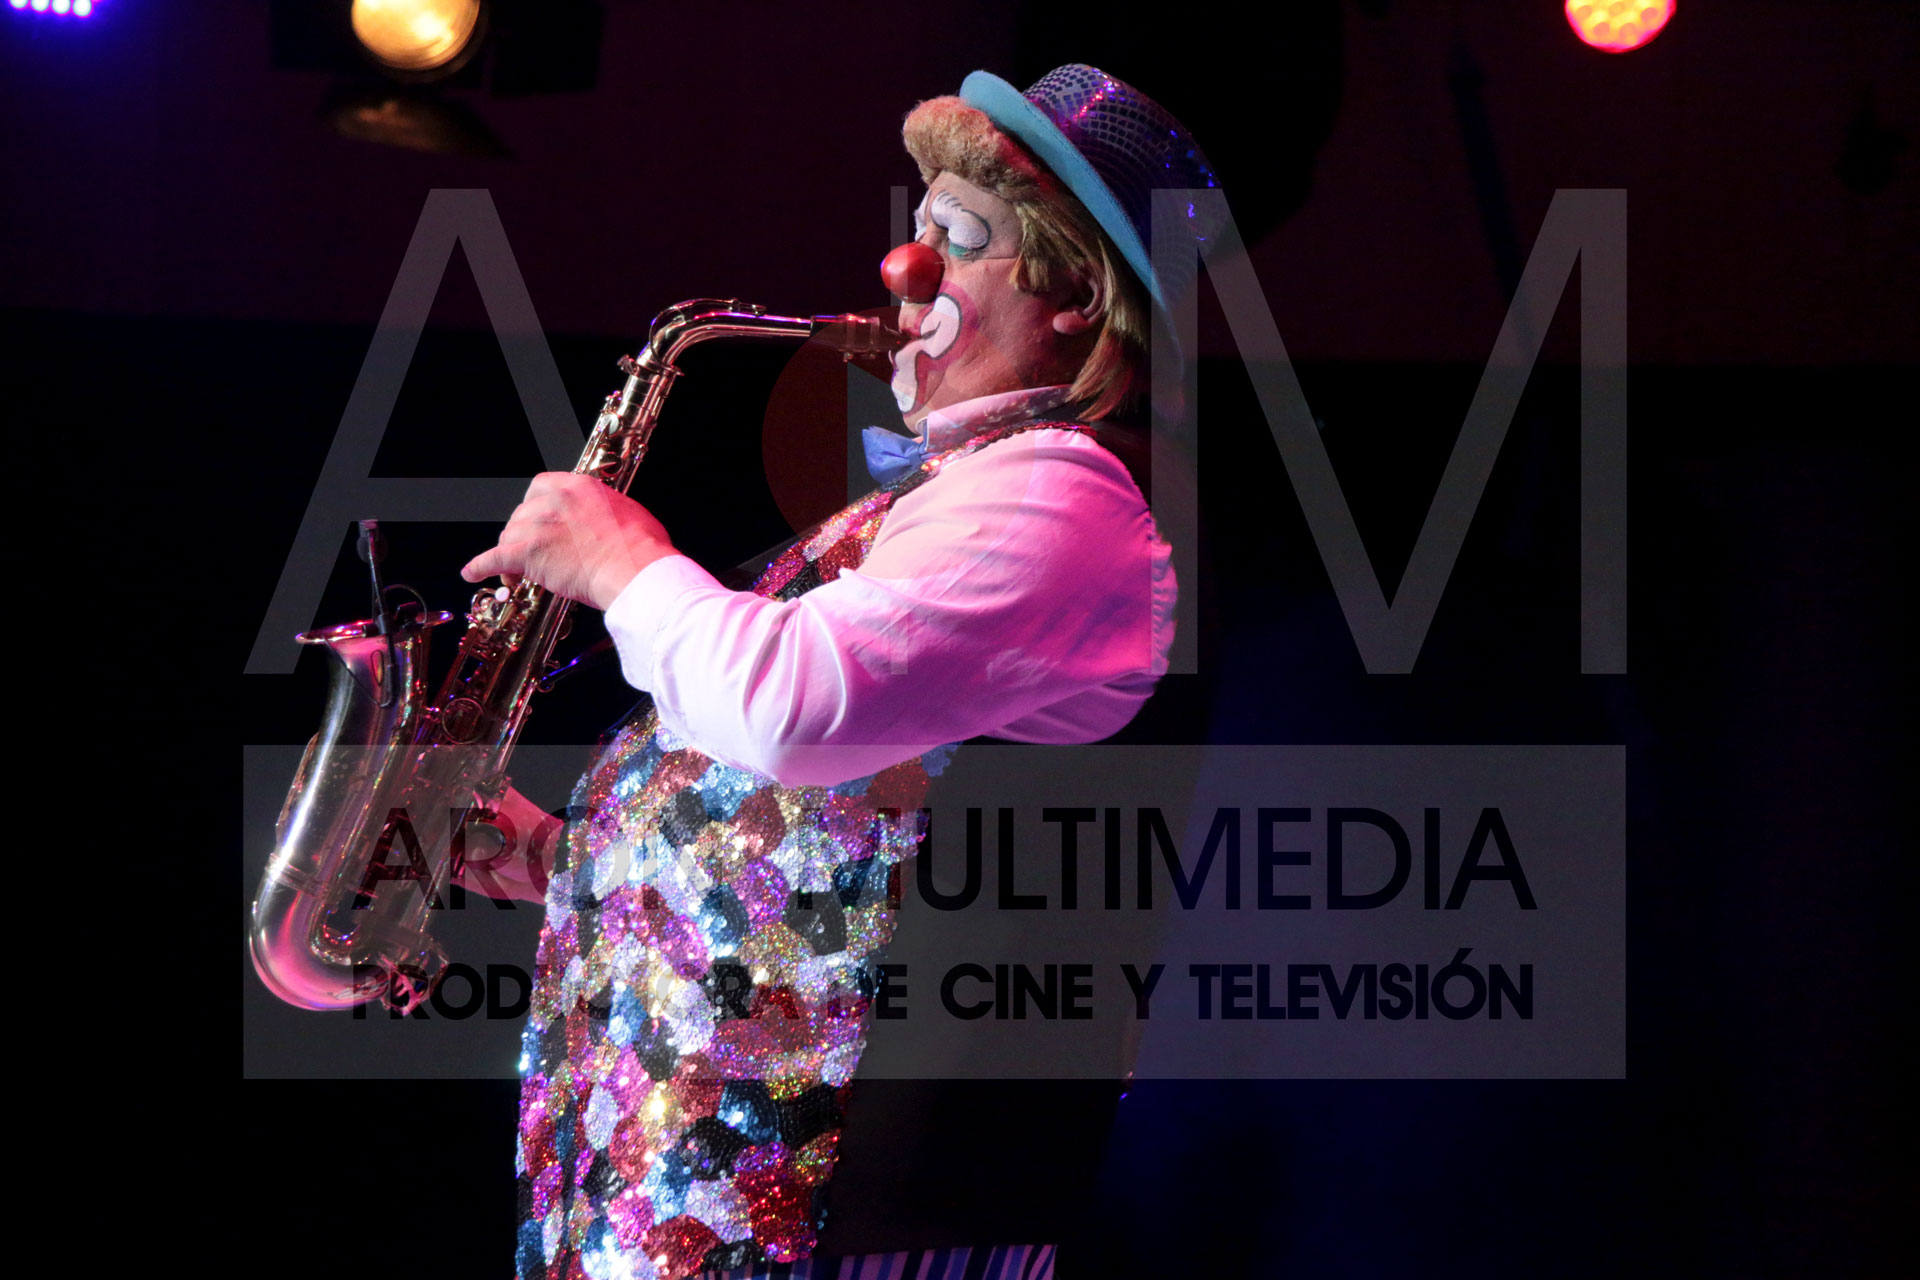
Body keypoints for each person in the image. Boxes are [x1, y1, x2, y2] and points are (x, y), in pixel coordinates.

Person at [461, 64, 1218, 1280]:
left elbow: (791, 711)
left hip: (840, 1209)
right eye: (920, 227)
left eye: (959, 238)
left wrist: (621, 562)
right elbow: (815, 830)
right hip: (689, 1192)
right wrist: (573, 857)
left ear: (1078, 294)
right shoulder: (947, 494)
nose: (902, 266)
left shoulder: (1060, 492)